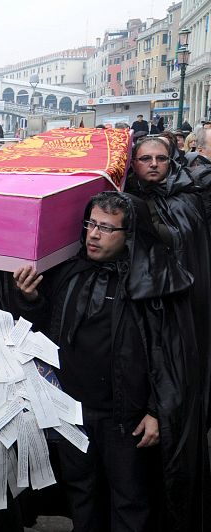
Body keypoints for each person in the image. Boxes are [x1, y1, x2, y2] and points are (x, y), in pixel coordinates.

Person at [13, 191, 205, 532]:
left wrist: (156, 410)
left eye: (106, 228)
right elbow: (46, 333)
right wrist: (31, 299)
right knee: (82, 498)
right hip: (73, 415)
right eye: (90, 224)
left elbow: (171, 355)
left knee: (130, 503)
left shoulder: (153, 281)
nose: (93, 234)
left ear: (129, 234)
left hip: (127, 421)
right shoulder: (72, 273)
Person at [125, 135, 211, 427]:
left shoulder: (188, 199)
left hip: (182, 300)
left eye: (161, 159)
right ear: (133, 163)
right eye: (146, 159)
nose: (153, 164)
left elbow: (192, 247)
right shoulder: (122, 199)